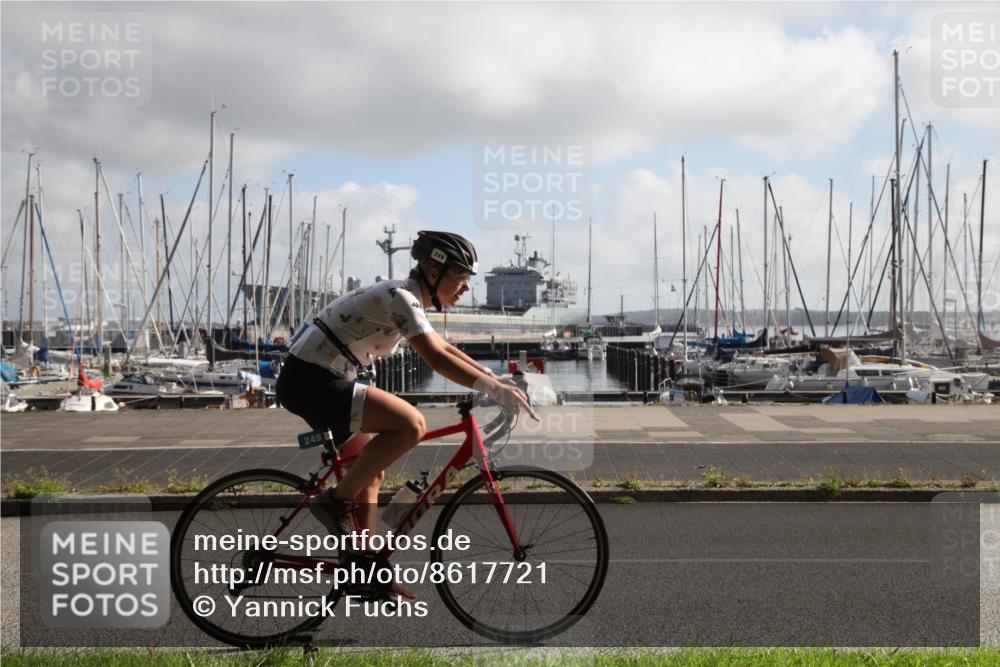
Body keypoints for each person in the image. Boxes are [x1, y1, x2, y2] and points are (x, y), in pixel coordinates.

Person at [276, 230, 531, 549]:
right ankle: (334, 501)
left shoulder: (407, 297)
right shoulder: (402, 298)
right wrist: (493, 388)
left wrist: (494, 379)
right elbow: (436, 358)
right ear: (434, 273)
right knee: (412, 424)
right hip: (313, 379)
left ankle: (364, 568)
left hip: (322, 377)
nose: (466, 286)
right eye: (461, 276)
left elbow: (444, 348)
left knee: (368, 477)